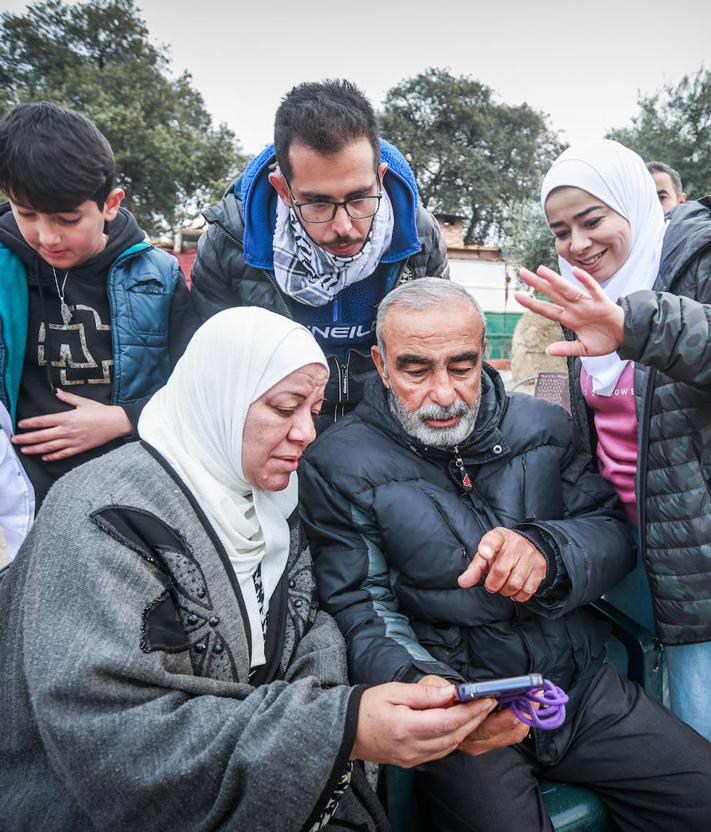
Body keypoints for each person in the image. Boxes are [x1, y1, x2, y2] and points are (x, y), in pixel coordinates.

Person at [0, 306, 506, 832]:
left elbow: (312, 628)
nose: (307, 432)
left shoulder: (271, 501)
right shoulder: (101, 510)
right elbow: (106, 729)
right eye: (285, 407)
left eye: (313, 408)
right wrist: (341, 728)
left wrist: (350, 717)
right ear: (220, 398)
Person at [300, 278, 711, 832]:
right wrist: (424, 684)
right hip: (463, 711)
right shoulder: (338, 461)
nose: (443, 393)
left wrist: (549, 551)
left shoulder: (543, 423)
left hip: (577, 683)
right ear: (381, 362)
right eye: (416, 370)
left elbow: (612, 534)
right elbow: (359, 602)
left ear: (483, 355)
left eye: (462, 366)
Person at [517, 139, 711, 741]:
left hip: (697, 561)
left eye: (593, 220)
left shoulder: (695, 261)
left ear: (634, 206)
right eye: (561, 229)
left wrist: (634, 328)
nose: (578, 243)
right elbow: (568, 417)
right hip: (627, 554)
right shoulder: (579, 300)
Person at [190, 79, 449, 427]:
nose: (343, 226)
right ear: (282, 189)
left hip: (385, 429)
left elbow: (439, 357)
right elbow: (212, 374)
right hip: (278, 433)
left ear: (381, 179)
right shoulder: (227, 242)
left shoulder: (420, 238)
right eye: (317, 202)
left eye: (359, 197)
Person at [0, 102, 199, 529]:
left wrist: (124, 418)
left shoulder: (159, 277)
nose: (46, 236)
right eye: (26, 214)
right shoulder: (4, 267)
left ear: (110, 204)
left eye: (68, 219)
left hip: (127, 492)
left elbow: (195, 388)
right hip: (19, 501)